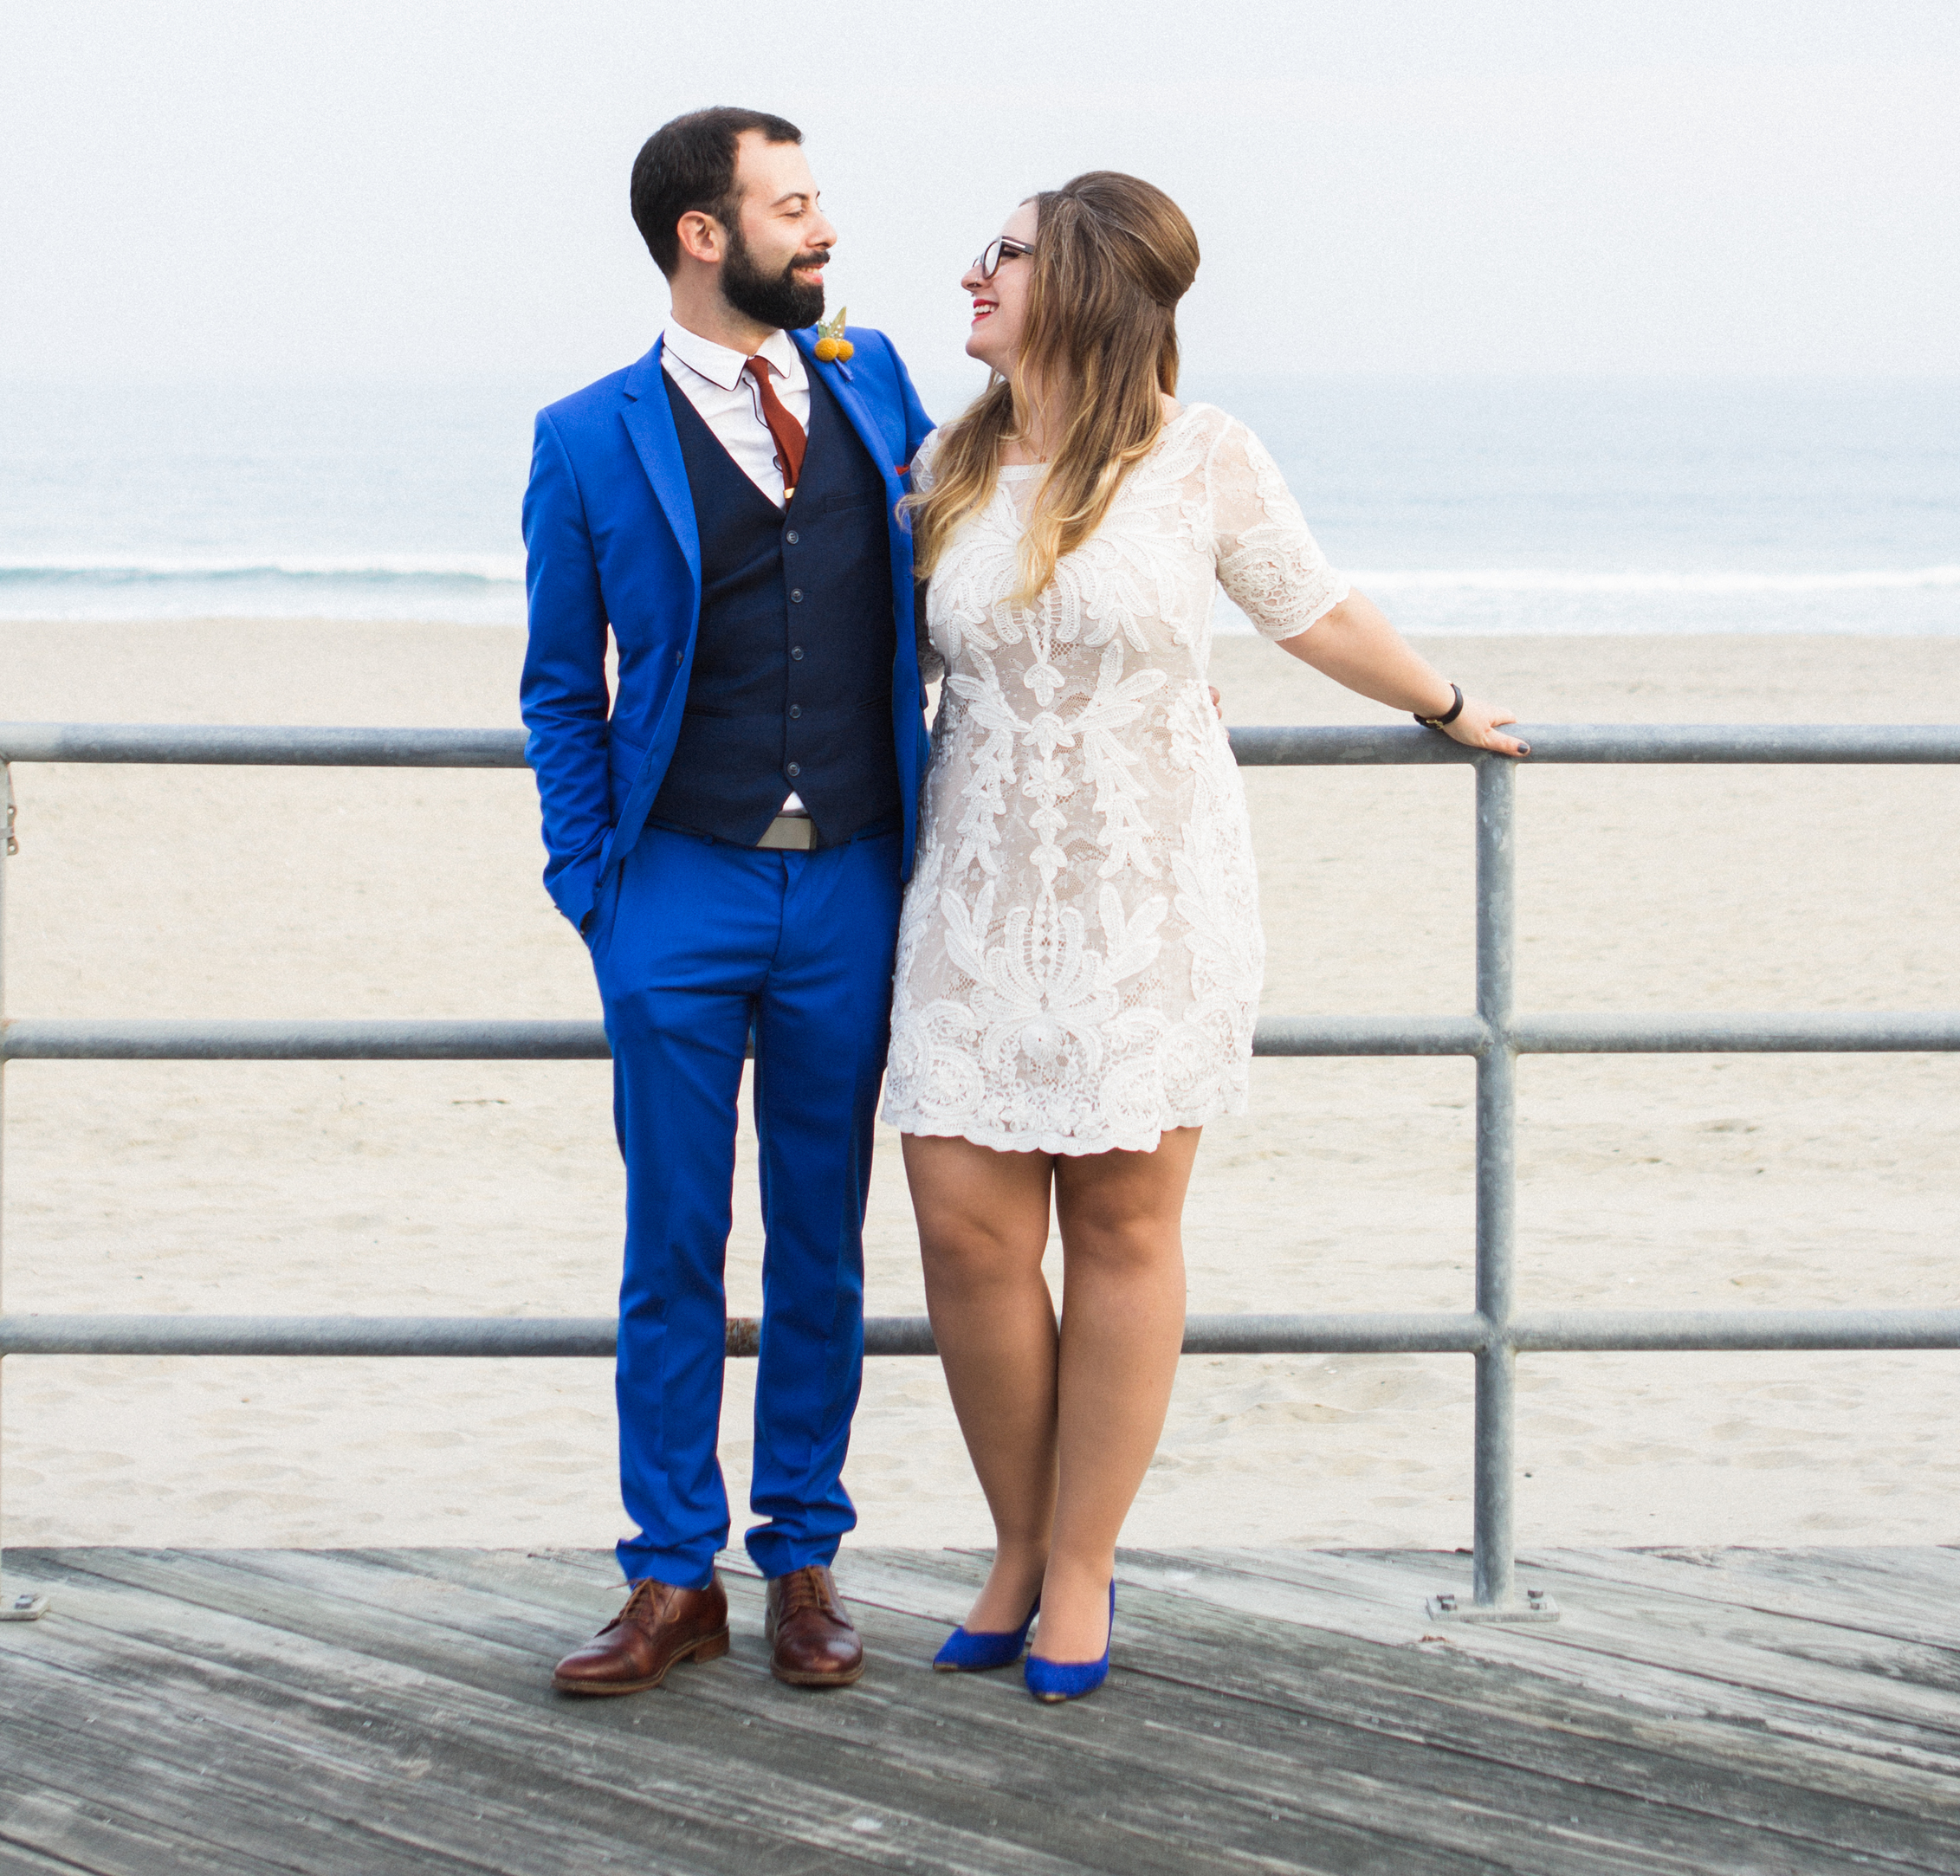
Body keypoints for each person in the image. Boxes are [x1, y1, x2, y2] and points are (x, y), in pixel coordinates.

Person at [885, 171, 1524, 1705]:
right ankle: (1014, 1543)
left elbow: (1317, 611)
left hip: (1148, 898)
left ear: (1087, 283)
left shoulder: (1201, 456)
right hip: (971, 903)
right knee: (967, 1240)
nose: (973, 273)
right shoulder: (941, 466)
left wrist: (1443, 703)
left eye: (1008, 253)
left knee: (1120, 1231)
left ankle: (1082, 1566)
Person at [521, 107, 934, 1698]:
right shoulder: (585, 433)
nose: (821, 228)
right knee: (673, 1240)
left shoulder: (874, 377)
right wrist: (594, 889)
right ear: (706, 232)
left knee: (823, 1236)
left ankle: (805, 1556)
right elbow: (563, 687)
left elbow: (1007, 523)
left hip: (850, 880)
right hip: (676, 887)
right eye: (793, 204)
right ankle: (667, 1571)